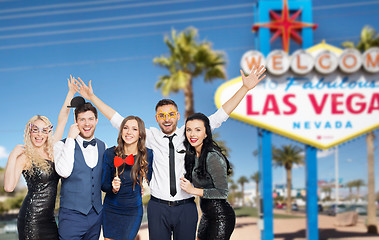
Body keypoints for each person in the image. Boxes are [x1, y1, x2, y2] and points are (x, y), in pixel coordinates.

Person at [74, 65, 266, 240]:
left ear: (178, 115)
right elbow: (118, 120)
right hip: (158, 208)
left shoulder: (191, 132)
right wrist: (92, 98)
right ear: (156, 118)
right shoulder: (150, 136)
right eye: (162, 115)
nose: (167, 119)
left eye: (171, 114)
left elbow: (220, 115)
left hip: (187, 207)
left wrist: (245, 88)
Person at [4, 76, 77, 240]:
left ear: (48, 133)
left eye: (44, 130)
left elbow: (63, 119)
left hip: (50, 219)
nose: (39, 134)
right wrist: (12, 156)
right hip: (31, 219)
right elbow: (8, 187)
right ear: (29, 131)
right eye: (35, 130)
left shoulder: (52, 149)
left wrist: (70, 92)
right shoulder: (25, 157)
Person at [53, 96, 106, 240]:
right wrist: (70, 139)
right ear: (76, 122)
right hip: (71, 217)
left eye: (90, 119)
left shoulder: (103, 146)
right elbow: (63, 172)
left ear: (96, 120)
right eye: (82, 119)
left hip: (96, 216)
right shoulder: (61, 145)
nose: (87, 123)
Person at [180, 113, 235, 240]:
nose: (192, 134)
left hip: (221, 216)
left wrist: (193, 190)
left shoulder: (212, 156)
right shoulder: (192, 156)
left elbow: (222, 192)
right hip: (206, 216)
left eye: (198, 130)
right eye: (189, 130)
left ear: (206, 134)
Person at [101, 115, 153, 240]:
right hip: (111, 209)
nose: (129, 132)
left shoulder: (148, 154)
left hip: (133, 211)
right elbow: (103, 185)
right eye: (125, 128)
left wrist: (142, 185)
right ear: (121, 131)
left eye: (134, 129)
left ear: (140, 134)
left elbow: (151, 179)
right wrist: (112, 188)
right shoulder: (109, 153)